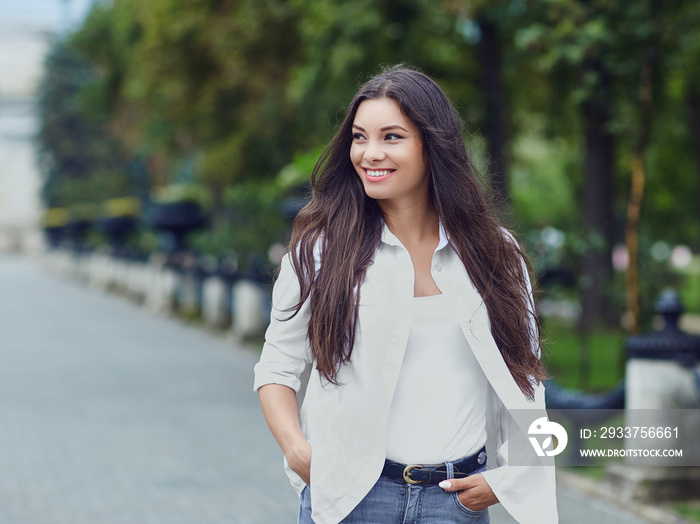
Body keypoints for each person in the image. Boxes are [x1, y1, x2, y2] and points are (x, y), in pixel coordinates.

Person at [254, 65, 558, 524]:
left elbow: (525, 377)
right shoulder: (321, 250)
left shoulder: (496, 254)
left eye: (391, 137)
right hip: (353, 499)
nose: (369, 153)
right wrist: (298, 451)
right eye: (359, 137)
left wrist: (508, 478)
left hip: (454, 500)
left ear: (431, 146)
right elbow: (277, 365)